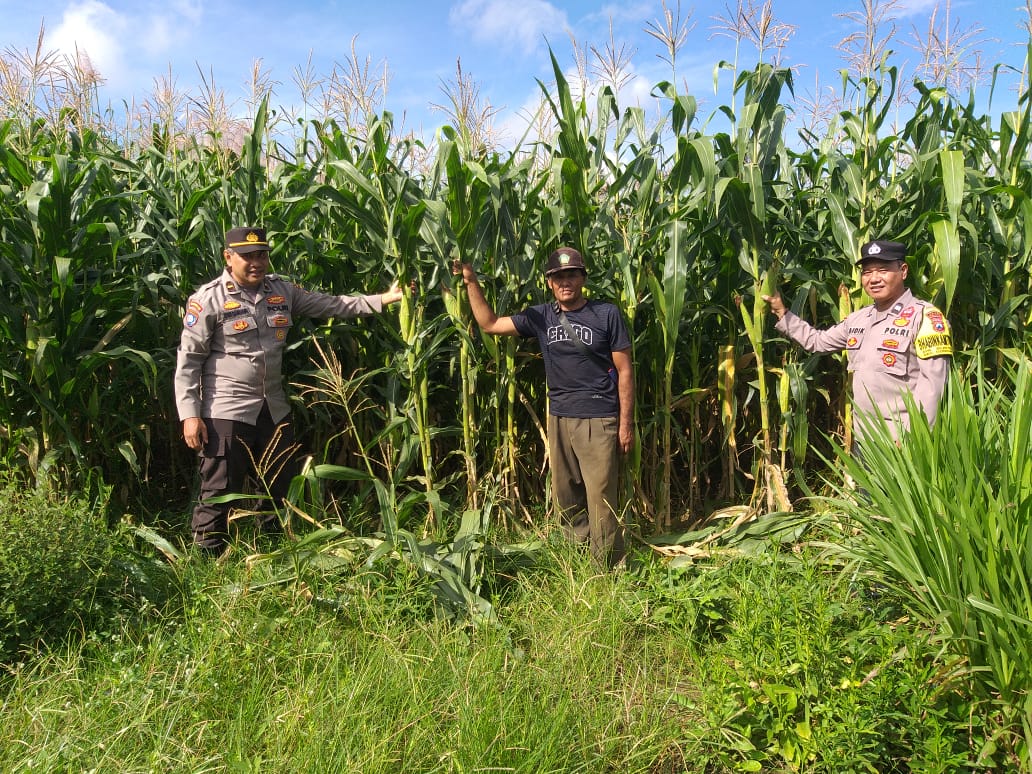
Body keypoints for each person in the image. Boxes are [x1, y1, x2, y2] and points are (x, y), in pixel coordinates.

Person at [174, 226, 404, 555]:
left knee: (280, 486)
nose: (257, 262)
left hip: (272, 408)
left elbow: (332, 305)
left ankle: (273, 554)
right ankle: (205, 562)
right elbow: (189, 361)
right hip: (225, 410)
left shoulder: (281, 291)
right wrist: (190, 415)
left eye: (262, 254)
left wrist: (384, 299)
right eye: (248, 256)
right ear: (228, 257)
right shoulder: (208, 299)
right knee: (220, 490)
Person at [454, 247, 634, 567]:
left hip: (598, 418)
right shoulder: (542, 316)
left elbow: (625, 371)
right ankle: (574, 563)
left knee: (601, 500)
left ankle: (607, 571)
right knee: (566, 497)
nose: (566, 281)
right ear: (549, 282)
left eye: (572, 274)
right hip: (560, 417)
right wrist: (470, 281)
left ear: (583, 278)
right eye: (558, 276)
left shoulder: (607, 315)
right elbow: (490, 324)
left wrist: (625, 424)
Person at [762, 239, 953, 444]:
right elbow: (816, 341)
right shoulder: (858, 319)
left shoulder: (925, 317)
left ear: (903, 271)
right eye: (868, 272)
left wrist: (912, 436)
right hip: (864, 439)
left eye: (883, 270)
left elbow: (933, 385)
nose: (874, 279)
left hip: (902, 440)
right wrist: (782, 312)